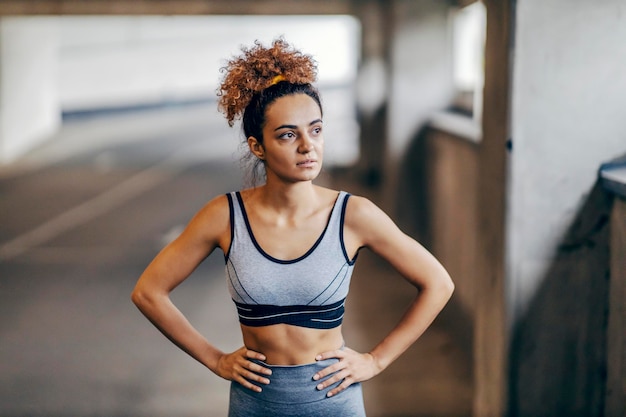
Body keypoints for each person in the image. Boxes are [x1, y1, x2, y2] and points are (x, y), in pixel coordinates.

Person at [131, 38, 454, 417]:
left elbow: (438, 283)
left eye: (315, 130)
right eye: (288, 135)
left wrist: (375, 360)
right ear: (258, 146)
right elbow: (149, 292)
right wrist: (216, 360)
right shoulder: (224, 215)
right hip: (255, 403)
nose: (307, 146)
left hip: (333, 402)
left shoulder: (353, 215)